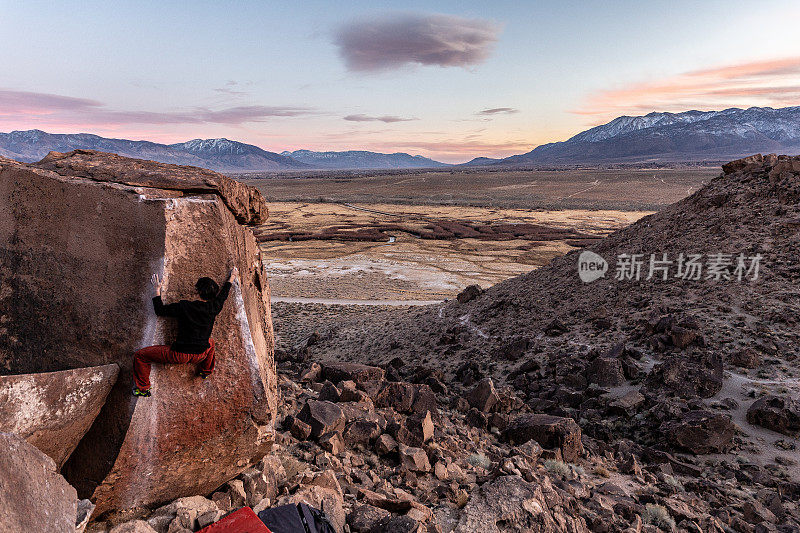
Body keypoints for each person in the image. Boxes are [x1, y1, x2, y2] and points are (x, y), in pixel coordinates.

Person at [132, 267, 239, 397]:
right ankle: (205, 371)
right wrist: (232, 277)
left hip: (179, 354)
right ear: (213, 295)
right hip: (200, 354)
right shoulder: (214, 308)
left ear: (197, 291)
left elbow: (160, 310)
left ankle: (143, 389)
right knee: (210, 342)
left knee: (140, 355)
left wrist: (157, 289)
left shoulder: (184, 307)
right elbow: (223, 296)